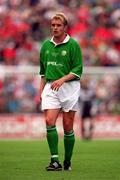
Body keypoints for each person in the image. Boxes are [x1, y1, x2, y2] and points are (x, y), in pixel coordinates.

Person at [39, 13, 83, 171]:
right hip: (51, 88)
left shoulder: (73, 45)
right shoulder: (45, 46)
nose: (55, 28)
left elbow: (78, 70)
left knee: (67, 126)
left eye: (58, 25)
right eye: (53, 25)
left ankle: (68, 161)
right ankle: (54, 161)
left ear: (65, 27)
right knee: (49, 122)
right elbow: (43, 72)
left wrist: (62, 79)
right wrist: (41, 91)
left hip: (69, 88)